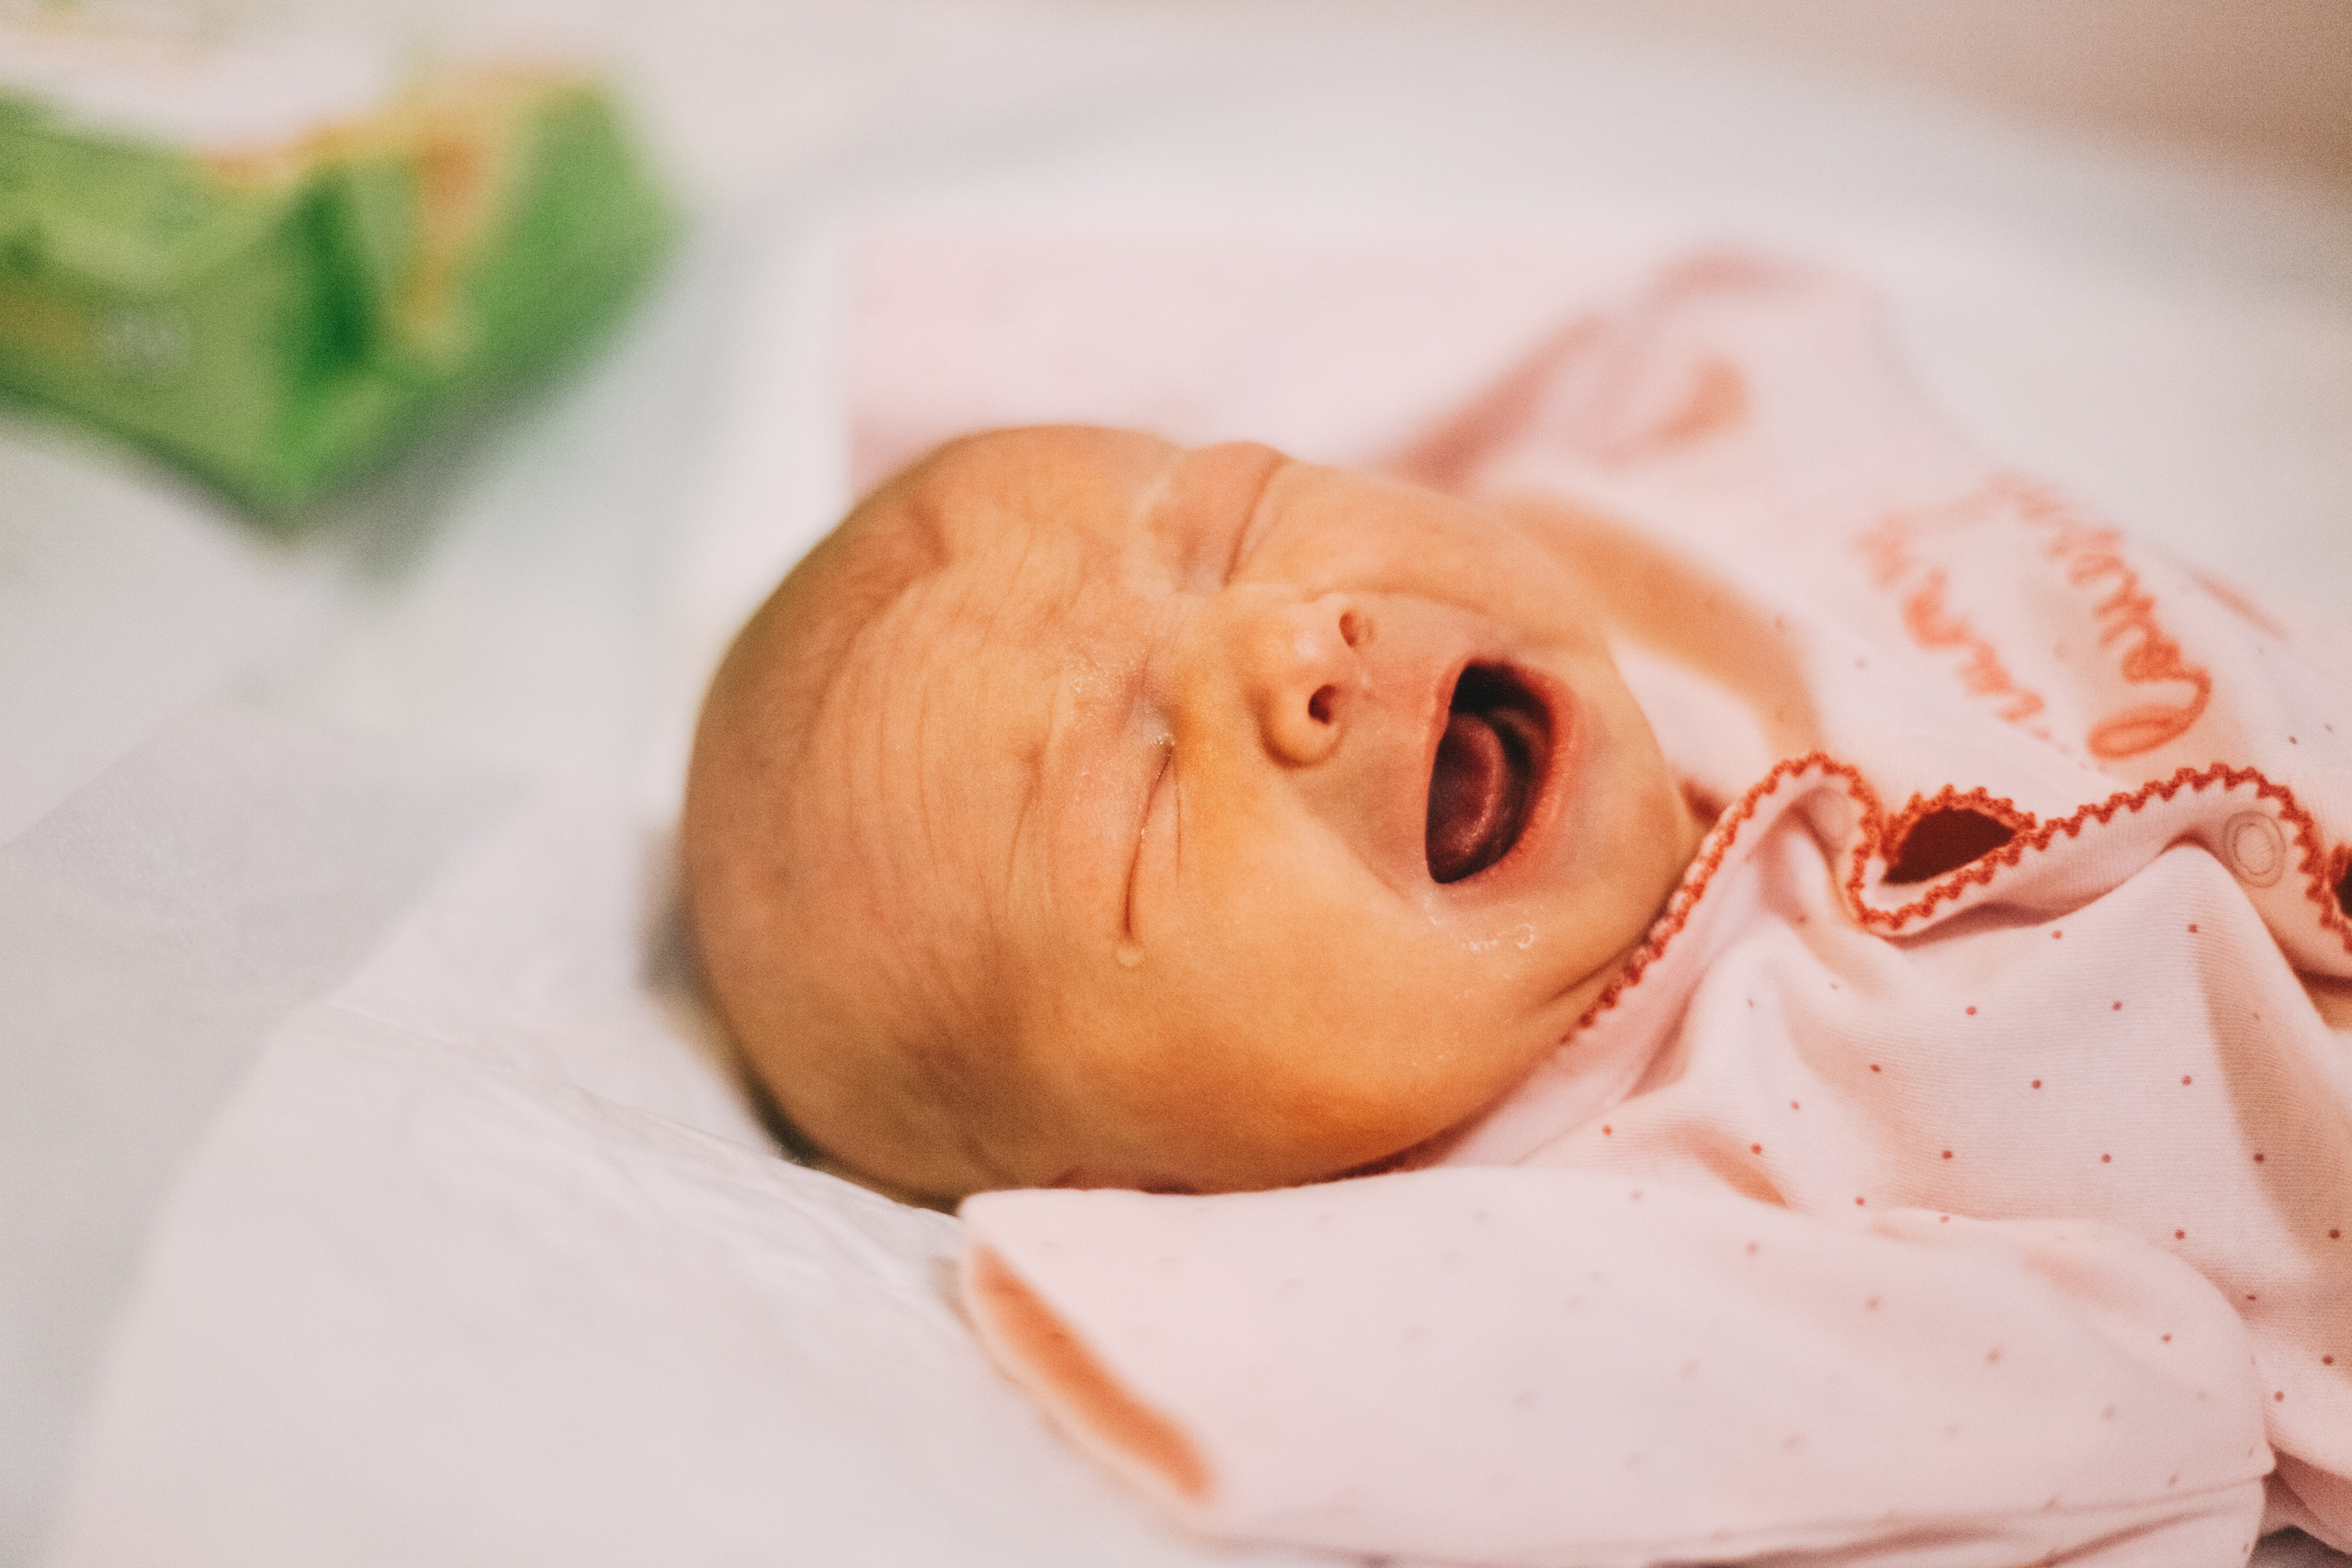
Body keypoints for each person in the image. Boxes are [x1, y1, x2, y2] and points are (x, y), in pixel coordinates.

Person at [682, 255, 2352, 1567]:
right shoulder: (1643, 1228)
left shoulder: (1622, 503)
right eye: (1144, 806)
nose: (1289, 643)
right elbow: (2158, 1417)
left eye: (1235, 524)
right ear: (1140, 1181)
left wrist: (899, 329)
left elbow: (1694, 317)